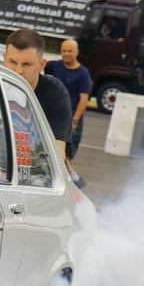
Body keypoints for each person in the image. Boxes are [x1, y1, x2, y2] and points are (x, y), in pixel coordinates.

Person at [3, 29, 72, 161]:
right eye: (12, 62)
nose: (18, 71)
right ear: (4, 59)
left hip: (36, 164)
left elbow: (58, 151)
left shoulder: (55, 93)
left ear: (42, 65)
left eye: (27, 64)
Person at [46, 38, 92, 187]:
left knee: (67, 156)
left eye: (69, 51)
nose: (66, 53)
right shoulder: (54, 66)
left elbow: (84, 99)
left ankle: (73, 183)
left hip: (72, 119)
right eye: (63, 51)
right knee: (56, 154)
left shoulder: (83, 74)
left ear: (77, 52)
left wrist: (75, 120)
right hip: (54, 117)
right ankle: (72, 181)